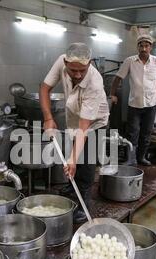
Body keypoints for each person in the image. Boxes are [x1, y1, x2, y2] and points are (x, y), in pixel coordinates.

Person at [39, 43, 109, 223]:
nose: (77, 75)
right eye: (73, 71)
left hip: (94, 124)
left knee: (84, 163)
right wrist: (48, 118)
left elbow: (84, 128)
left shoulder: (94, 83)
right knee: (74, 156)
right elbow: (44, 88)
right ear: (65, 62)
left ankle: (83, 202)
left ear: (90, 63)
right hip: (75, 119)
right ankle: (72, 187)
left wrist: (72, 159)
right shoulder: (60, 62)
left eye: (82, 71)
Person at [110, 34, 156, 166]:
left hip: (151, 104)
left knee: (146, 133)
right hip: (135, 104)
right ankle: (131, 159)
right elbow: (118, 78)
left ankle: (141, 157)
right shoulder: (130, 61)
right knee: (132, 133)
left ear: (151, 47)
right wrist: (112, 94)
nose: (144, 48)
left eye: (146, 46)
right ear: (137, 47)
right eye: (141, 45)